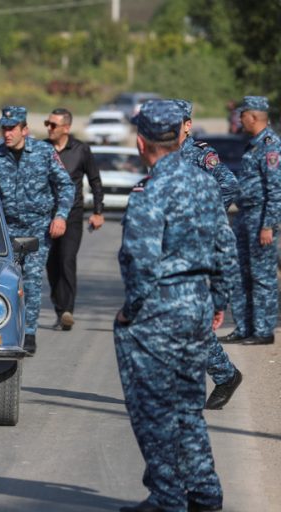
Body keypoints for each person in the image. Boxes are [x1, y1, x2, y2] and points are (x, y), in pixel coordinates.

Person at [114, 100, 233, 512]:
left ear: (141, 142)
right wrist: (218, 299)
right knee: (187, 407)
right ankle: (204, 493)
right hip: (197, 306)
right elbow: (225, 246)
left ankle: (168, 499)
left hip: (160, 312)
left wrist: (132, 309)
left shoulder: (151, 190)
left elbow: (140, 260)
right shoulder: (204, 182)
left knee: (154, 412)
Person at [0, 106, 74, 356]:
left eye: (12, 128)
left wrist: (61, 216)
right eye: (4, 128)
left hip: (37, 229)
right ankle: (4, 329)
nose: (7, 133)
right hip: (5, 231)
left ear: (25, 130)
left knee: (32, 281)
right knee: (4, 282)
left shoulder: (44, 153)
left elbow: (66, 186)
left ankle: (30, 332)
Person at [174, 99, 243, 410]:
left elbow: (230, 185)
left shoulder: (201, 155)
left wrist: (206, 217)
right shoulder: (164, 156)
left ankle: (224, 374)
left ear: (187, 125)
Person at [219, 96, 281, 346]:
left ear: (253, 117)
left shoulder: (271, 146)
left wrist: (268, 225)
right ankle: (244, 327)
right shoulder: (253, 144)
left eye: (242, 115)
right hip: (244, 215)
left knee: (262, 275)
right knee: (240, 273)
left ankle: (263, 330)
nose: (239, 119)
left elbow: (276, 191)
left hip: (260, 218)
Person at [43, 108, 104, 331]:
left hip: (73, 216)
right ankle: (60, 310)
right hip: (46, 217)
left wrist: (98, 212)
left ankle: (68, 310)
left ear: (66, 128)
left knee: (66, 259)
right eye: (46, 124)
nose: (48, 128)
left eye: (53, 125)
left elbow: (95, 181)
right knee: (51, 264)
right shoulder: (42, 149)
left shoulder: (81, 150)